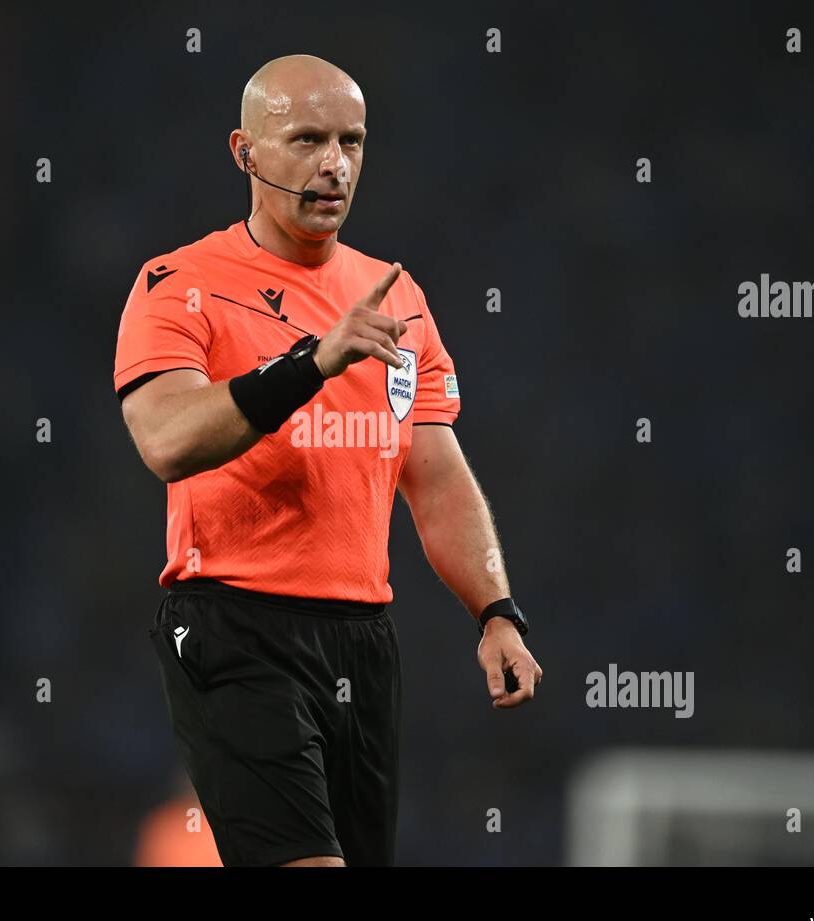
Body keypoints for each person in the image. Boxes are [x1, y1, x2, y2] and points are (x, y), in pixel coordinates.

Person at [113, 54, 542, 867]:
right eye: (307, 139)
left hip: (361, 641)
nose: (334, 164)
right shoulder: (179, 284)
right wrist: (311, 363)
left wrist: (497, 612)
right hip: (234, 624)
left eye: (351, 140)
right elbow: (167, 440)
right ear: (244, 151)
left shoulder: (395, 298)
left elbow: (436, 475)